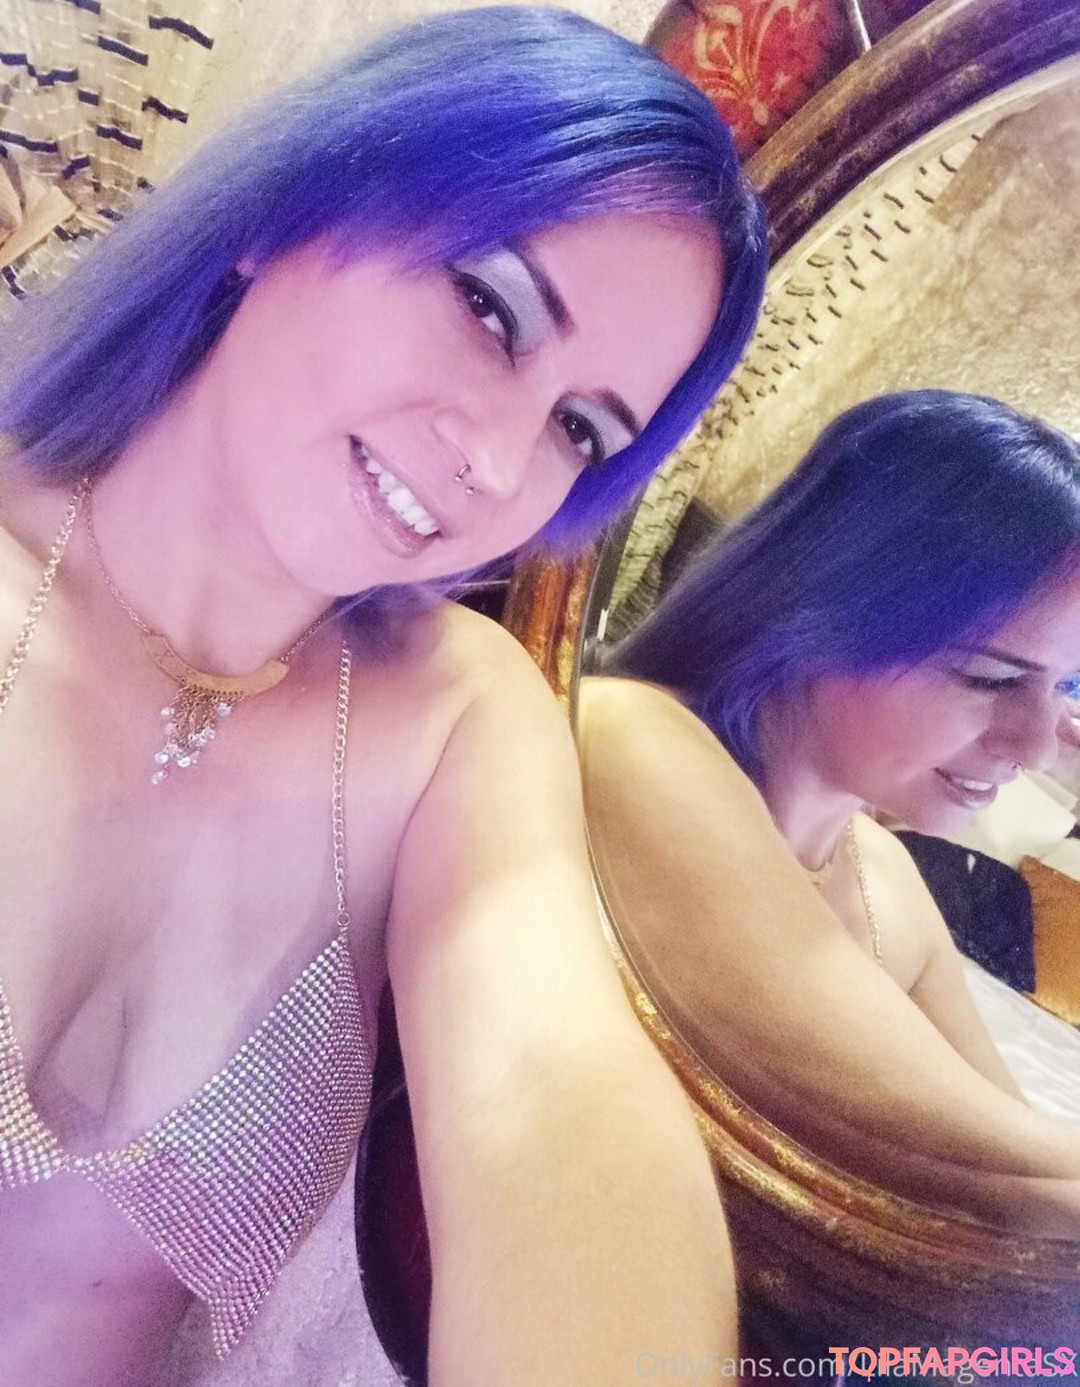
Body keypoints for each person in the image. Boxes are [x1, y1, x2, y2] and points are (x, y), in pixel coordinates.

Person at [0, 8, 768, 1384]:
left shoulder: (454, 718)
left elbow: (552, 1085)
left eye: (581, 428)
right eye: (491, 307)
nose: (498, 464)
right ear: (292, 206)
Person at [587, 390, 1080, 1231]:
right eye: (991, 677)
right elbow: (989, 1163)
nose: (1037, 745)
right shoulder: (633, 738)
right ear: (820, 610)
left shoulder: (886, 878)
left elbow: (1014, 1170)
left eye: (1067, 683)